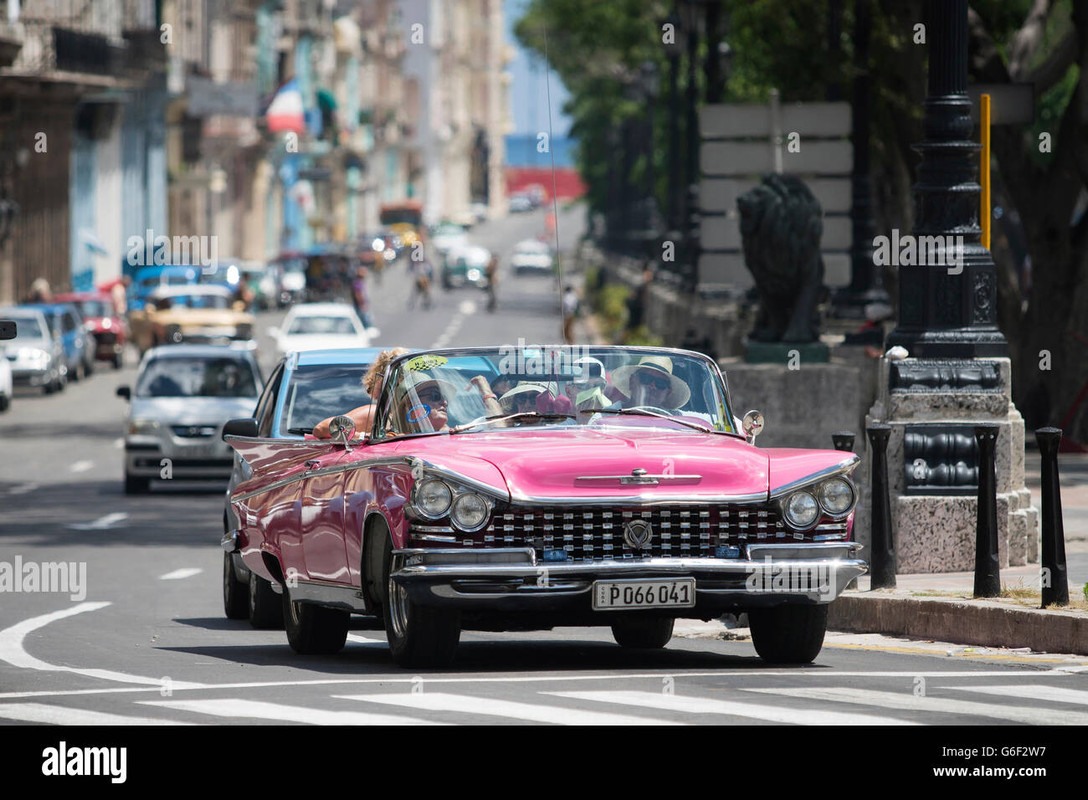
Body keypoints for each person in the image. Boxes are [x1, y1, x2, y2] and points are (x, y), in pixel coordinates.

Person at [313, 347, 410, 439]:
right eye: (395, 384)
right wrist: (366, 436)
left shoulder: (422, 411)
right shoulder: (376, 414)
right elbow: (320, 429)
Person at [609, 355, 691, 412]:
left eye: (660, 383)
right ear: (632, 381)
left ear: (668, 392)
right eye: (645, 378)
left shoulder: (679, 422)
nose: (652, 386)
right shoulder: (606, 416)